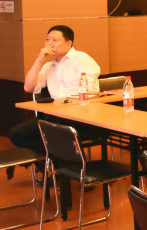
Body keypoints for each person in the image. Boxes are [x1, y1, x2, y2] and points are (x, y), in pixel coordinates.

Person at [10, 25, 101, 154]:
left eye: (55, 40)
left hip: (79, 116)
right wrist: (40, 59)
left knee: (57, 137)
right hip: (54, 116)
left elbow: (90, 92)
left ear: (68, 43)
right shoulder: (49, 66)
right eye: (48, 40)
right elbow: (28, 87)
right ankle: (54, 159)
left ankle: (57, 160)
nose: (50, 44)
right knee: (17, 134)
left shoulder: (82, 59)